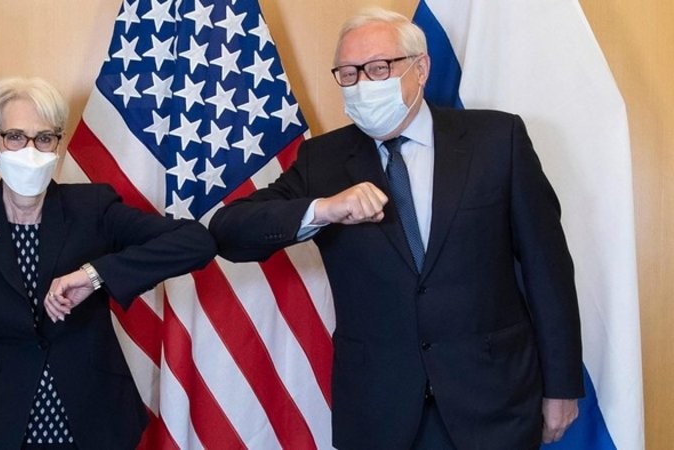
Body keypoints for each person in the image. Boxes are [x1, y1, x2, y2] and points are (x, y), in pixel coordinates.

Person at [209, 7, 583, 450]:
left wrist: (561, 386)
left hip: (493, 401)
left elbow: (547, 269)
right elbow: (228, 230)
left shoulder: (497, 140)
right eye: (349, 74)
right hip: (380, 411)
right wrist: (323, 209)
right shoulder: (323, 161)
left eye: (379, 68)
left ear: (420, 69)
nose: (362, 84)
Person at [0, 77, 216, 450]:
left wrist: (94, 274)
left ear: (58, 142)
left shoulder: (92, 208)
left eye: (44, 138)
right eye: (15, 136)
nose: (30, 150)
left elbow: (196, 242)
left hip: (91, 415)